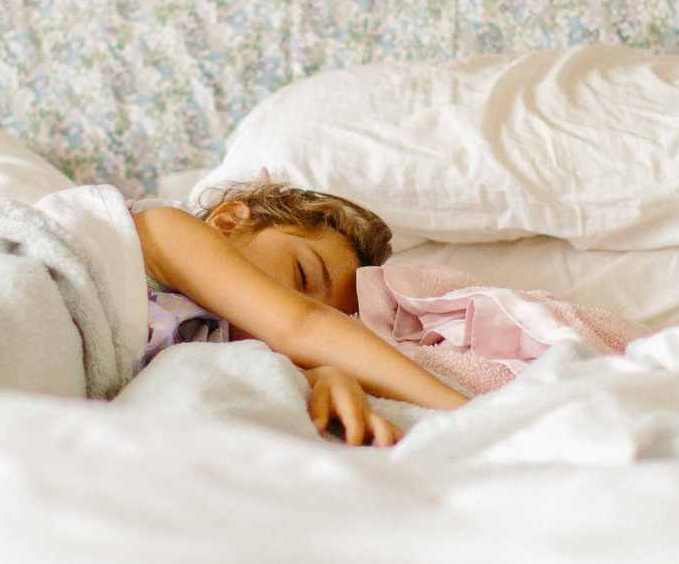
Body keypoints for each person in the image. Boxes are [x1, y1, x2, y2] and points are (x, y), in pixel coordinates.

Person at [131, 181, 468, 447]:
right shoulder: (161, 230)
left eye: (333, 318)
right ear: (228, 221)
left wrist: (323, 374)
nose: (288, 303)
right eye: (303, 275)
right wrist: (474, 414)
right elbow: (301, 325)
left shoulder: (211, 343)